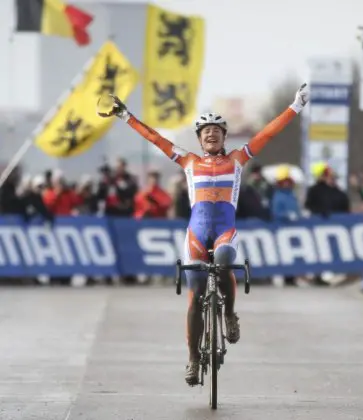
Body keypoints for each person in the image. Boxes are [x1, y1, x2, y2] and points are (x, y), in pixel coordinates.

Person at [101, 83, 310, 386]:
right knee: (195, 298)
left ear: (225, 137)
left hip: (225, 230)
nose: (211, 134)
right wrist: (125, 115)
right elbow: (155, 138)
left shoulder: (238, 159)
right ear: (199, 139)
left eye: (217, 130)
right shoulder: (189, 162)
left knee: (225, 256)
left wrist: (296, 106)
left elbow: (267, 134)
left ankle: (230, 315)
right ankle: (192, 360)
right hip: (196, 233)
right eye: (205, 131)